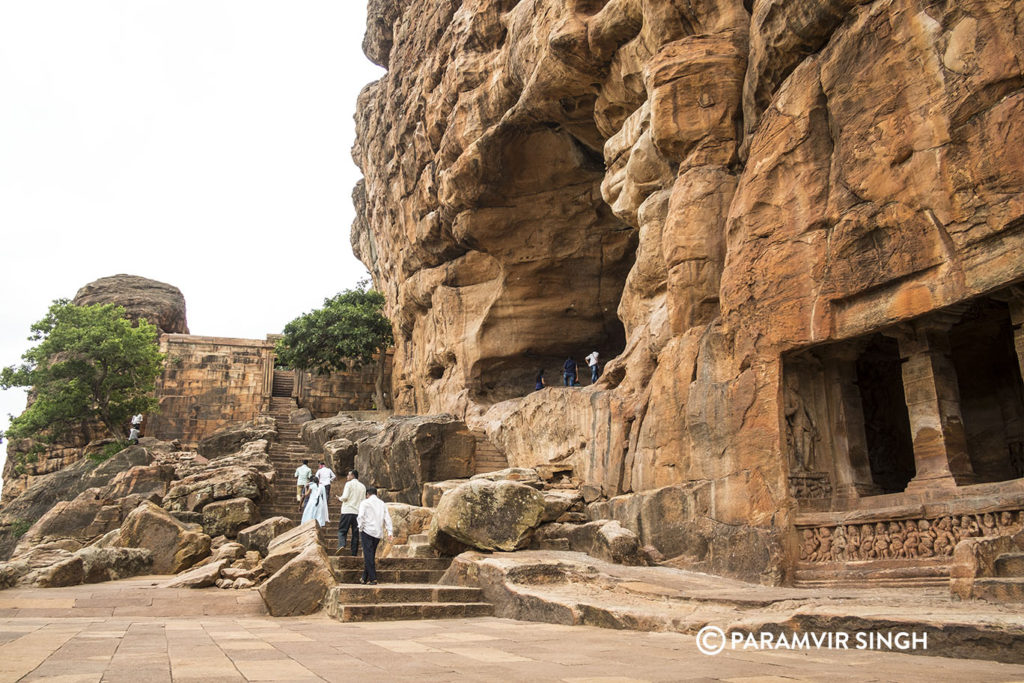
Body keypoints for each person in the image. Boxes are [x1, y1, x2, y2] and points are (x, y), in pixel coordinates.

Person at [357, 486, 393, 585]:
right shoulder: (382, 504)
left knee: (368, 555)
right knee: (370, 554)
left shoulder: (365, 502)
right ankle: (364, 578)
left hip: (367, 531)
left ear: (367, 494)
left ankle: (373, 578)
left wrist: (360, 527)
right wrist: (390, 532)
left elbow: (360, 516)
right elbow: (387, 518)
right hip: (378, 532)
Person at [336, 469, 366, 557]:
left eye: (348, 475)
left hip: (347, 511)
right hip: (357, 512)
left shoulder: (349, 484)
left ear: (352, 475)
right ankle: (354, 552)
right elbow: (363, 501)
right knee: (355, 534)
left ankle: (341, 545)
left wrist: (339, 498)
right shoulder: (362, 486)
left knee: (342, 530)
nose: (347, 477)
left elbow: (345, 497)